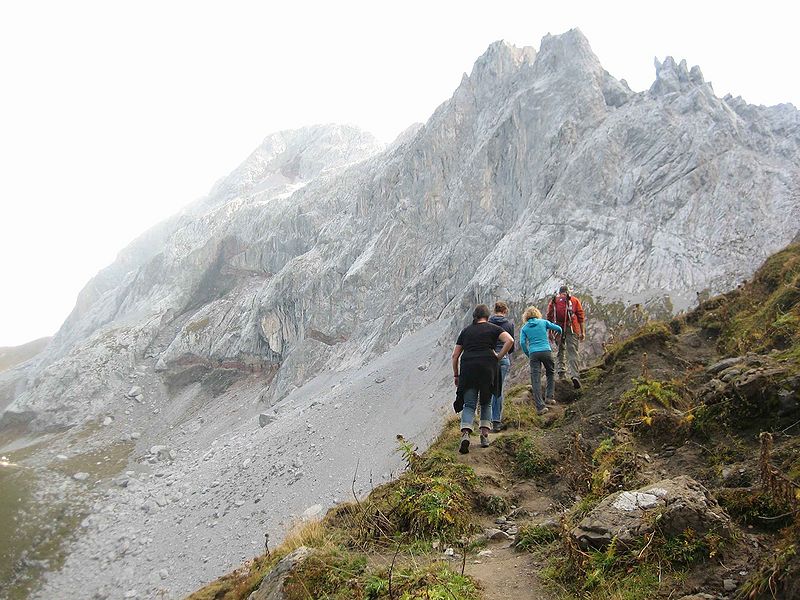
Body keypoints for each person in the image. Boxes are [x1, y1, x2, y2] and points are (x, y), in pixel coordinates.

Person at [452, 304, 514, 454]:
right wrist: (498, 357)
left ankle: (466, 433)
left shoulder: (466, 331)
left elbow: (455, 356)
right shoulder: (494, 328)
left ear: (475, 316)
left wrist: (456, 374)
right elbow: (510, 340)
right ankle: (484, 436)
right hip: (488, 369)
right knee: (486, 403)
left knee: (469, 404)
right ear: (487, 316)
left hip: (468, 370)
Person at [519, 306, 562, 415]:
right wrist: (556, 335)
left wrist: (528, 353)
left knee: (535, 379)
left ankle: (540, 407)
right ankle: (549, 397)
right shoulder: (543, 322)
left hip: (533, 353)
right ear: (537, 314)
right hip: (546, 351)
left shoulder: (525, 328)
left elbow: (522, 343)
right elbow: (559, 329)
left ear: (526, 317)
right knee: (550, 372)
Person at [546, 285, 585, 389]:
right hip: (572, 328)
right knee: (572, 351)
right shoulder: (574, 300)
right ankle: (575, 375)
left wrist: (550, 332)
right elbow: (580, 316)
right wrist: (582, 332)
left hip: (557, 328)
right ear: (567, 292)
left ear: (559, 292)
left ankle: (561, 373)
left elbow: (549, 317)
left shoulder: (554, 301)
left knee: (560, 350)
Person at [488, 301, 515, 432]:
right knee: (498, 389)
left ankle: (485, 421)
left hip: (488, 360)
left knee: (487, 389)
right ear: (505, 311)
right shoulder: (509, 324)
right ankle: (496, 421)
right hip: (503, 359)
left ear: (494, 310)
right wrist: (502, 354)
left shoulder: (488, 323)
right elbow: (511, 347)